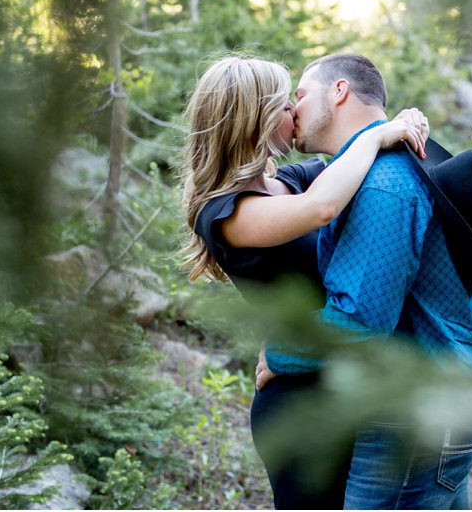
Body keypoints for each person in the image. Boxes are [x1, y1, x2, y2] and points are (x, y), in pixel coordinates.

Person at [180, 55, 430, 509]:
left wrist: (400, 121)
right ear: (252, 119)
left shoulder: (287, 181)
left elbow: (350, 154)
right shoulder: (223, 213)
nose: (295, 113)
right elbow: (323, 208)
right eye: (284, 105)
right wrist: (379, 133)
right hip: (297, 409)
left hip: (340, 391)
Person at [259, 53, 472, 510]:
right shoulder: (385, 165)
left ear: (339, 90)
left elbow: (360, 320)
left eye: (301, 95)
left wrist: (279, 353)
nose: (293, 110)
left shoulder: (382, 184)